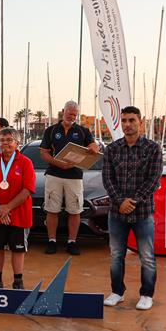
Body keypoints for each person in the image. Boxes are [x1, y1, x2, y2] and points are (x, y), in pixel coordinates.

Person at [101, 106, 163, 311]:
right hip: (117, 213)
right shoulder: (112, 149)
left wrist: (132, 201)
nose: (127, 125)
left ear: (140, 122)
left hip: (143, 213)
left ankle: (146, 294)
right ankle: (117, 292)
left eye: (132, 120)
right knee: (116, 254)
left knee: (147, 255)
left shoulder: (152, 149)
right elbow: (108, 179)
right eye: (124, 121)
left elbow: (153, 180)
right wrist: (120, 202)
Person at [39, 101, 99, 255]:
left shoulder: (83, 131)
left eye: (74, 114)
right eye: (69, 113)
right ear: (63, 111)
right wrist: (57, 163)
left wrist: (93, 148)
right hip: (54, 174)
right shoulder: (51, 131)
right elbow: (44, 152)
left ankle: (72, 242)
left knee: (75, 210)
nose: (71, 116)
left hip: (75, 176)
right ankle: (51, 241)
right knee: (52, 209)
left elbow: (94, 146)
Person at [0, 127, 35, 289]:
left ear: (17, 143)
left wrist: (7, 208)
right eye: (2, 140)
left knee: (18, 249)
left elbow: (28, 190)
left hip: (18, 214)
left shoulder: (26, 162)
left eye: (9, 140)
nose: (5, 143)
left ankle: (18, 280)